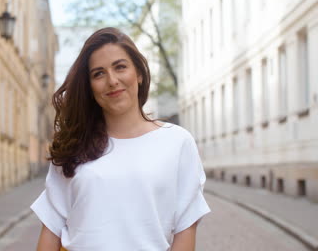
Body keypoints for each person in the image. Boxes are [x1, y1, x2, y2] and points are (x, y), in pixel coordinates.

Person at [31, 27, 210, 251]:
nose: (112, 80)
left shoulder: (177, 142)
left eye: (120, 67)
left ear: (139, 74)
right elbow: (51, 228)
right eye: (98, 73)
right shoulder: (74, 145)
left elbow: (186, 229)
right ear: (90, 87)